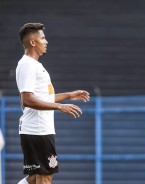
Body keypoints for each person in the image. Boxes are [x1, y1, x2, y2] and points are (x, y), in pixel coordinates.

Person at [16, 23, 90, 184]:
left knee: (35, 177)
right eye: (42, 38)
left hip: (40, 129)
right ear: (33, 42)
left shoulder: (35, 65)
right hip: (37, 130)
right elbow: (27, 99)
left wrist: (69, 95)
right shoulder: (27, 65)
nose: (46, 41)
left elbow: (43, 97)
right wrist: (59, 107)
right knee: (45, 176)